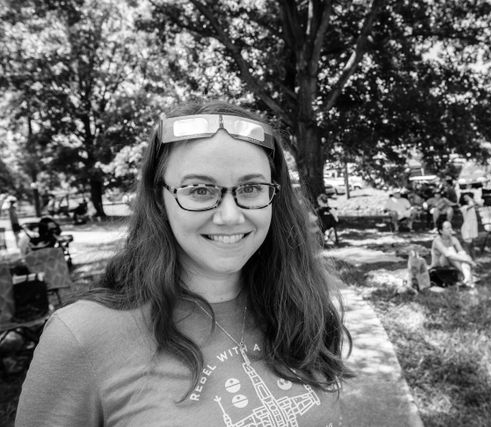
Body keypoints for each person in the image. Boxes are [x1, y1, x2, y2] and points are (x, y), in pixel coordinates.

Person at [16, 101, 351, 426]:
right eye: (200, 190)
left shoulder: (302, 307)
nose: (230, 216)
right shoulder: (80, 337)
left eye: (250, 188)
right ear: (159, 200)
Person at [431, 218, 477, 287]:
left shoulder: (453, 239)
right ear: (441, 231)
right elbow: (448, 255)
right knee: (451, 251)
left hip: (451, 262)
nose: (450, 230)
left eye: (451, 227)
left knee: (462, 254)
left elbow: (462, 253)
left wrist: (467, 257)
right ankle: (468, 276)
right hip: (439, 265)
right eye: (447, 228)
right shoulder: (437, 241)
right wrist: (468, 260)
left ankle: (467, 277)